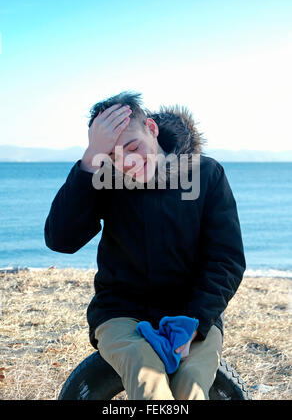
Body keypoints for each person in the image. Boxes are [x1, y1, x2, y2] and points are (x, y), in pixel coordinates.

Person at [44, 91, 246, 400]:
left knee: (190, 385)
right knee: (148, 380)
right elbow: (61, 240)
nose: (127, 162)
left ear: (151, 128)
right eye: (112, 155)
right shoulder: (104, 179)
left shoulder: (207, 174)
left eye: (133, 147)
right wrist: (89, 161)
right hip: (121, 313)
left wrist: (196, 321)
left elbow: (226, 259)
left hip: (193, 313)